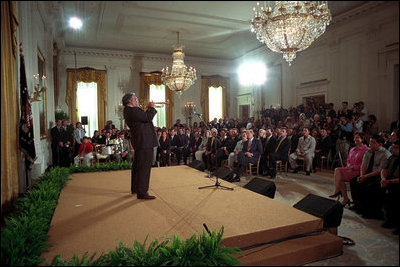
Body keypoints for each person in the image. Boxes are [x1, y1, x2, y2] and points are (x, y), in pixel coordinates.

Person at [122, 92, 158, 200]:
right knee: (144, 167)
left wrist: (148, 109)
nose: (137, 100)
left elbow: (143, 118)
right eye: (135, 99)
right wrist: (151, 108)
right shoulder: (132, 110)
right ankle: (142, 192)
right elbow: (147, 117)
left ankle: (136, 188)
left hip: (141, 141)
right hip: (144, 141)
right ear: (130, 101)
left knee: (138, 166)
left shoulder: (130, 110)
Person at [349, 135, 391, 219]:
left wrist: (365, 176)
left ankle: (370, 211)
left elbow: (380, 170)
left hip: (379, 175)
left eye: (373, 142)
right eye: (370, 141)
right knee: (354, 181)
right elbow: (363, 165)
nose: (370, 144)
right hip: (367, 173)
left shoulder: (385, 154)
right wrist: (361, 176)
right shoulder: (368, 151)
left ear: (380, 144)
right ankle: (358, 205)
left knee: (370, 186)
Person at [329, 132, 369, 206]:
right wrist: (349, 166)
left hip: (359, 171)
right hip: (350, 170)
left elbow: (365, 165)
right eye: (355, 137)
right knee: (338, 174)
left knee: (338, 171)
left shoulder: (366, 150)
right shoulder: (352, 149)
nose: (355, 139)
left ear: (362, 139)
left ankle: (339, 192)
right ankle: (345, 198)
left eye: (357, 137)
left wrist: (353, 167)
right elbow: (348, 160)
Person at [380, 140, 399, 234]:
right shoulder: (392, 157)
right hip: (389, 181)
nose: (394, 150)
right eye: (393, 147)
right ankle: (389, 219)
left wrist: (389, 181)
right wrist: (383, 179)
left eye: (397, 148)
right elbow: (384, 169)